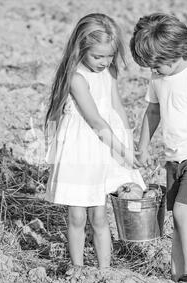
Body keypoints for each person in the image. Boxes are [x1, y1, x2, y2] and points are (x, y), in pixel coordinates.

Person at [44, 13, 146, 269]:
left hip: (104, 148)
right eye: (98, 56)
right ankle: (77, 268)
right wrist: (123, 151)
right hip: (81, 151)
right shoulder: (76, 78)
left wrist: (127, 141)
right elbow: (96, 122)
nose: (104, 62)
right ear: (81, 48)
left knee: (100, 216)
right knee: (77, 216)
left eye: (109, 55)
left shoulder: (109, 72)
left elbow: (116, 108)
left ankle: (104, 271)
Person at [130, 13, 187, 283]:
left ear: (176, 53)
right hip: (173, 158)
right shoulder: (158, 77)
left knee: (184, 211)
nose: (153, 70)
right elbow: (152, 112)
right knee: (177, 218)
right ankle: (177, 275)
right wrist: (142, 147)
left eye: (157, 64)